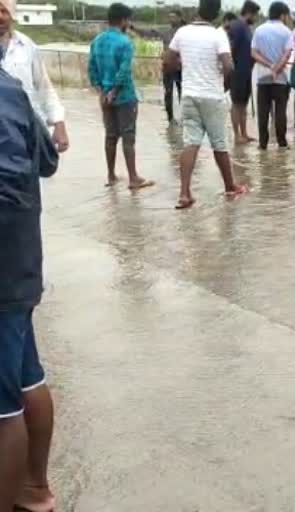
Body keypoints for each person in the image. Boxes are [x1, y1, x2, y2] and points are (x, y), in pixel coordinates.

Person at [0, 61, 59, 512]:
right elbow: (48, 159)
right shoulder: (11, 86)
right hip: (20, 258)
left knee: (2, 410)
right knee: (26, 375)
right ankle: (34, 487)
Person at [166, 0, 248, 209]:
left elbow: (168, 61)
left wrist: (184, 69)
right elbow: (229, 66)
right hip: (212, 95)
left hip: (189, 94)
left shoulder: (182, 32)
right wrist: (224, 85)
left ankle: (184, 194)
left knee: (191, 143)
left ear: (198, 10)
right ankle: (230, 186)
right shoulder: (218, 34)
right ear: (218, 13)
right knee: (219, 143)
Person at [88, 3, 154, 190]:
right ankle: (133, 178)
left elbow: (91, 69)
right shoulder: (125, 42)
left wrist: (102, 91)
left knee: (110, 136)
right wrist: (114, 92)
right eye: (128, 20)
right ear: (124, 20)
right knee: (128, 136)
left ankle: (111, 175)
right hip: (124, 96)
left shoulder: (97, 41)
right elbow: (124, 71)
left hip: (104, 96)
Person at [0, 0, 68, 153]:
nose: (0, 16)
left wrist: (59, 123)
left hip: (28, 134)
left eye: (4, 11)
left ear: (12, 14)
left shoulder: (27, 46)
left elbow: (44, 88)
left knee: (32, 174)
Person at [251, 1, 293, 150]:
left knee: (263, 112)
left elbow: (254, 52)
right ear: (282, 15)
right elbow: (287, 54)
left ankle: (263, 144)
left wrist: (269, 66)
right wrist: (276, 68)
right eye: (287, 15)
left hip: (262, 78)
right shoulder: (286, 32)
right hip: (280, 79)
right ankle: (282, 143)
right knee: (280, 111)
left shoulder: (259, 30)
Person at [229, 0, 260, 144]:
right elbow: (232, 49)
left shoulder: (246, 27)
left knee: (244, 103)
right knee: (236, 103)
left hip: (246, 71)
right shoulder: (237, 26)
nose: (256, 18)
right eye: (255, 15)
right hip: (238, 71)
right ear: (249, 13)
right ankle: (237, 136)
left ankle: (244, 133)